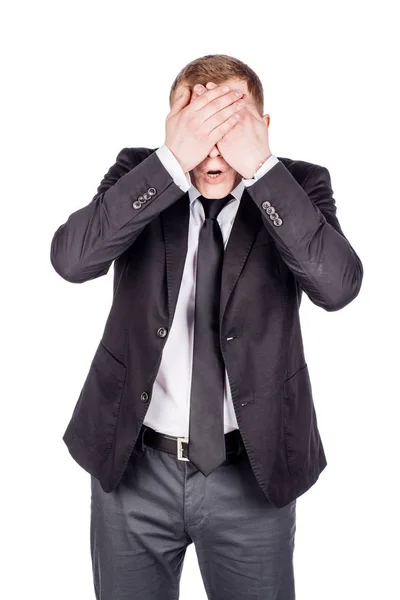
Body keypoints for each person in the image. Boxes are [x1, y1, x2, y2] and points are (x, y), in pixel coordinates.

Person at [50, 54, 363, 600]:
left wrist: (264, 171)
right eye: (197, 123)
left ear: (263, 129)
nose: (212, 146)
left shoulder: (301, 184)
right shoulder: (138, 172)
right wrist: (170, 162)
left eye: (231, 124)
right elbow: (73, 261)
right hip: (133, 465)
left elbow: (337, 287)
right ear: (172, 127)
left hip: (254, 469)